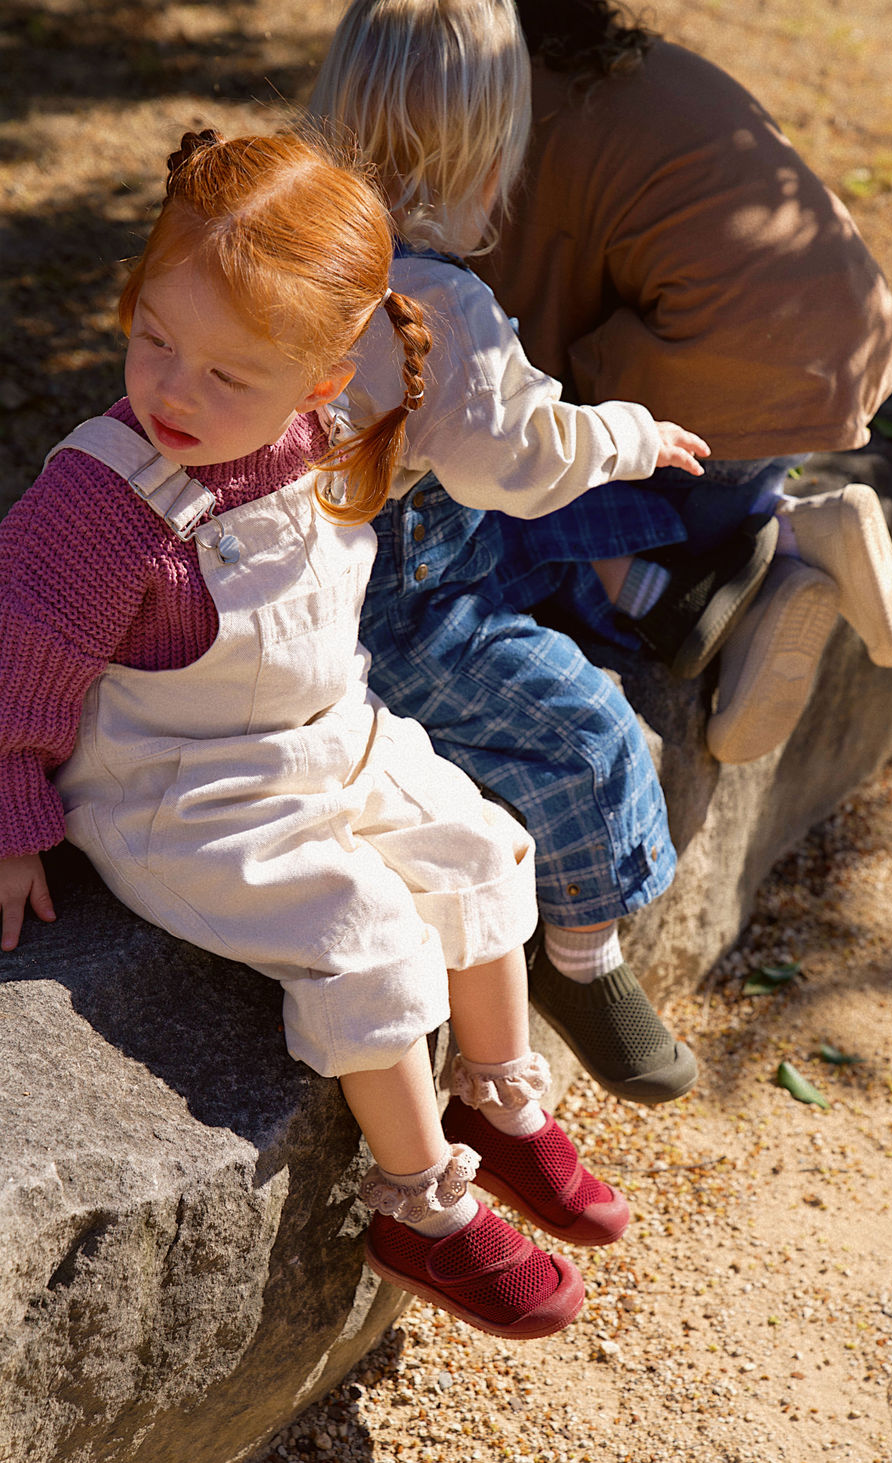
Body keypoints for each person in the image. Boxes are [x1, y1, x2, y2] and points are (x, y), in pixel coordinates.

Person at [0, 128, 635, 1341]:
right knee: (369, 938)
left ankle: (498, 1103)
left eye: (228, 374)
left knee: (484, 847)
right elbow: (15, 665)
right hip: (187, 793)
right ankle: (418, 1200)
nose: (174, 392)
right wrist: (13, 819)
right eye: (152, 340)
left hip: (333, 737)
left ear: (321, 379)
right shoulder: (100, 511)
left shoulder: (308, 445)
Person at [307, 0, 715, 1108]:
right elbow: (517, 458)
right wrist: (628, 434)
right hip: (388, 617)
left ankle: (655, 589)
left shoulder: (289, 241)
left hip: (348, 558)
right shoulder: (441, 305)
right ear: (487, 162)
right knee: (591, 729)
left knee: (519, 526)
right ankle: (581, 962)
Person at [477, 0, 892, 764]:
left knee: (516, 510)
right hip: (841, 358)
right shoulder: (654, 69)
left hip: (724, 406)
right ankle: (789, 524)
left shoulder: (520, 120)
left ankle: (740, 574)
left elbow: (523, 333)